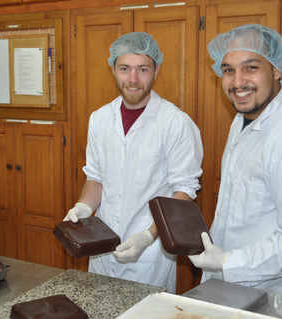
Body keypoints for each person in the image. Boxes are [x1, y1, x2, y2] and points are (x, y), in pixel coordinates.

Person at [188, 24, 282, 319]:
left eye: (251, 67)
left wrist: (229, 261)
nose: (237, 82)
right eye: (228, 70)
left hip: (272, 299)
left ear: (276, 69)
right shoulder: (248, 114)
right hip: (236, 291)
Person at [64, 32, 203, 293]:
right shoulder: (100, 119)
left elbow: (184, 191)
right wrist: (83, 207)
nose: (133, 79)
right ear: (113, 69)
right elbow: (95, 178)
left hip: (150, 253)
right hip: (102, 247)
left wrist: (147, 236)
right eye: (125, 69)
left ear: (156, 70)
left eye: (143, 69)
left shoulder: (176, 123)